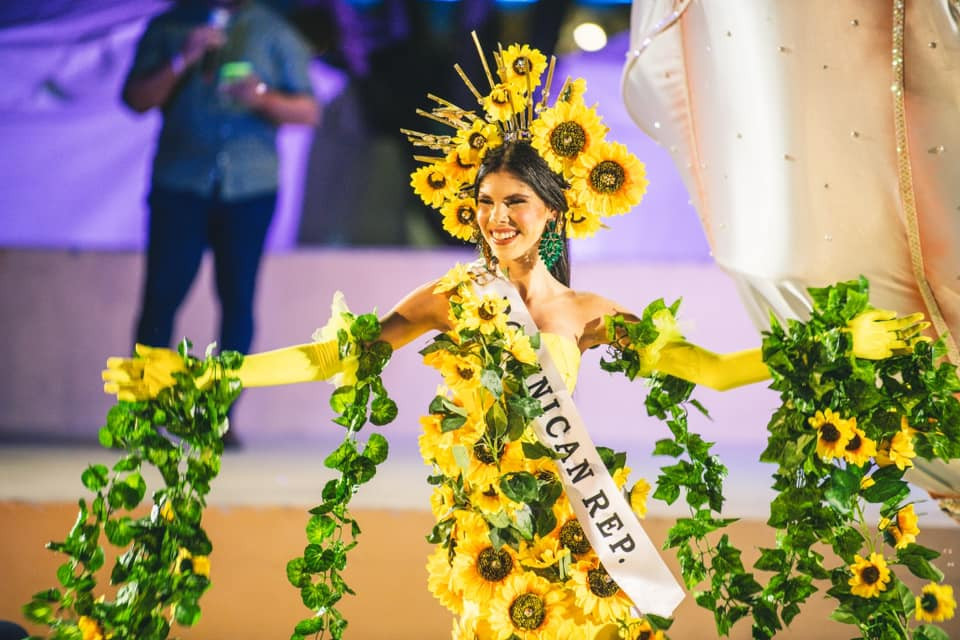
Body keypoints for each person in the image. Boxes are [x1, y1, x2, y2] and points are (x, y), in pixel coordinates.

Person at [105, 41, 925, 639]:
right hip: (483, 532)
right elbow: (338, 355)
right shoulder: (451, 297)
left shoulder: (588, 311)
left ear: (553, 213)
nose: (496, 217)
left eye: (516, 203)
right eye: (486, 202)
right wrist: (211, 376)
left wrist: (838, 342)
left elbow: (710, 371)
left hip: (574, 520)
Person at [121, 0, 320, 405]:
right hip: (180, 182)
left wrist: (260, 96)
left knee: (237, 298)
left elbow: (309, 111)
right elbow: (136, 100)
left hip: (250, 187)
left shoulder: (274, 30)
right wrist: (183, 58)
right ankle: (145, 408)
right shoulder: (171, 25)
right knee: (161, 295)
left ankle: (220, 411)